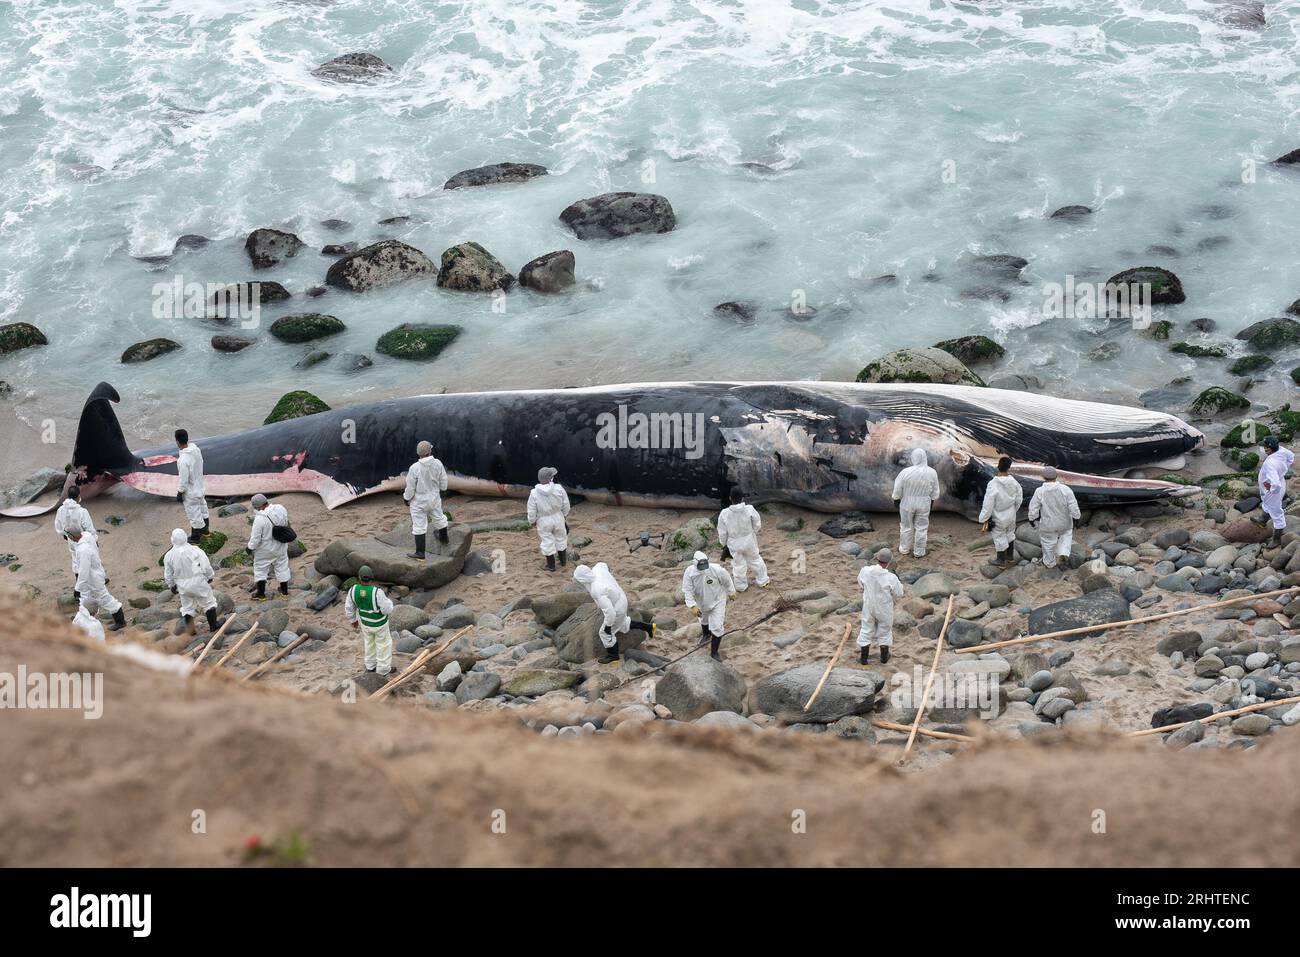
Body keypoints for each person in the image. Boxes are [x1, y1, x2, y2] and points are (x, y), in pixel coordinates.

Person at [573, 563, 655, 664]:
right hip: (620, 596)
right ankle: (649, 627)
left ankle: (613, 656)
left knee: (604, 633)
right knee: (623, 624)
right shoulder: (597, 569)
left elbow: (610, 613)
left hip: (617, 608)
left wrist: (608, 626)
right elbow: (604, 564)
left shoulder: (597, 590)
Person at [163, 528, 221, 636]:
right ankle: (213, 625)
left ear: (172, 540)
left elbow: (168, 573)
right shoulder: (195, 550)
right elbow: (206, 565)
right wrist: (209, 576)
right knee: (208, 602)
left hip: (182, 585)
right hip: (198, 581)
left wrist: (171, 585)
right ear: (186, 537)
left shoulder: (169, 556)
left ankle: (191, 631)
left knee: (187, 607)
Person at [68, 523, 125, 631]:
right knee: (85, 600)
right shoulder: (87, 536)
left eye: (68, 535)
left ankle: (120, 621)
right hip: (95, 575)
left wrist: (78, 588)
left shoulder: (83, 549)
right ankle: (85, 623)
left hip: (92, 579)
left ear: (72, 536)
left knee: (104, 599)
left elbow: (84, 571)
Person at [682, 550, 737, 661]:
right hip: (701, 601)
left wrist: (731, 591)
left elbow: (727, 580)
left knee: (717, 627)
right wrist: (692, 605)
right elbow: (687, 590)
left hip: (718, 600)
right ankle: (706, 635)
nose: (703, 567)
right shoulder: (689, 572)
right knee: (703, 619)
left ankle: (714, 653)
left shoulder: (716, 569)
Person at [344, 565, 394, 677]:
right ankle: (383, 670)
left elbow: (349, 607)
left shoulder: (353, 590)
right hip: (379, 624)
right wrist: (390, 603)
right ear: (371, 579)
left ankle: (370, 665)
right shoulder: (377, 592)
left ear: (359, 578)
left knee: (369, 643)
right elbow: (387, 609)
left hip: (365, 623)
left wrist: (353, 620)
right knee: (383, 645)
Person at [1027, 467, 1080, 569]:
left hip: (1048, 524)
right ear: (1056, 476)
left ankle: (1050, 563)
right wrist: (1076, 517)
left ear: (1043, 477)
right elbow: (1073, 505)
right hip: (1064, 522)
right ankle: (1063, 553)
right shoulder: (1066, 489)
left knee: (1047, 543)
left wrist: (1032, 519)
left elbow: (1033, 507)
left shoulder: (1039, 491)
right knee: (1066, 536)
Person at [404, 440, 449, 561]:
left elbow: (410, 487)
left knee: (419, 524)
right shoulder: (438, 463)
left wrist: (406, 498)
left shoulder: (414, 468)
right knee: (439, 517)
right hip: (434, 498)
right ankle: (444, 538)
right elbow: (444, 481)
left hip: (419, 501)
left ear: (418, 454)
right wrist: (442, 489)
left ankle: (420, 553)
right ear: (430, 451)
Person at [857, 548, 903, 664]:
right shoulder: (891, 577)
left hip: (869, 605)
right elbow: (899, 593)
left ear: (877, 558)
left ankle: (864, 658)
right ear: (889, 562)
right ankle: (883, 656)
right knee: (885, 630)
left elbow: (860, 583)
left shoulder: (865, 571)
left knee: (866, 628)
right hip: (884, 607)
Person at [717, 488, 769, 591]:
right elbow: (757, 523)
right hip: (749, 540)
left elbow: (722, 532)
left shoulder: (724, 513)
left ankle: (741, 587)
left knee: (738, 565)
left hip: (734, 542)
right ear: (742, 498)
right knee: (756, 560)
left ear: (730, 498)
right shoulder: (749, 508)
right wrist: (753, 532)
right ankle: (763, 581)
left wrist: (724, 543)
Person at [892, 448, 940, 558]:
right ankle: (919, 552)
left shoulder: (906, 472)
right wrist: (932, 500)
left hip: (907, 502)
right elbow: (935, 490)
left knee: (906, 526)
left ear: (913, 458)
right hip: (924, 502)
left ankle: (904, 549)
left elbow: (898, 487)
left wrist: (896, 498)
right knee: (922, 527)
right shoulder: (932, 472)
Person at [979, 456, 1023, 566]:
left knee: (999, 537)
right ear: (1009, 468)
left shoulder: (993, 484)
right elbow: (1019, 499)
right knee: (1010, 533)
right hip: (1011, 513)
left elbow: (988, 502)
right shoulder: (1014, 483)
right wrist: (1014, 509)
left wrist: (984, 518)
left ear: (998, 466)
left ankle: (1000, 560)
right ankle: (1010, 557)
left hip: (998, 515)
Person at [246, 493, 291, 600]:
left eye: (255, 507)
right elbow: (286, 523)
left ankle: (261, 594)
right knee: (282, 567)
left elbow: (255, 539)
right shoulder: (281, 508)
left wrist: (249, 548)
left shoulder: (259, 519)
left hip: (265, 549)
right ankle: (284, 592)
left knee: (260, 569)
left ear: (258, 506)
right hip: (281, 545)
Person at [53, 484, 95, 595]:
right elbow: (89, 528)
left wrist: (64, 534)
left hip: (71, 539)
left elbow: (58, 525)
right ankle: (91, 584)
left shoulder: (61, 510)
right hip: (83, 539)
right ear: (78, 497)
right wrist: (94, 539)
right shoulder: (82, 512)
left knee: (76, 560)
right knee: (90, 560)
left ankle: (79, 583)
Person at [527, 466, 570, 571]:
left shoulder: (534, 493)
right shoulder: (559, 488)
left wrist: (531, 521)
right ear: (551, 478)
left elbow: (531, 509)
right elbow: (566, 504)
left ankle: (551, 566)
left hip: (543, 520)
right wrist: (564, 514)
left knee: (547, 541)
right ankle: (563, 562)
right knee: (561, 538)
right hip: (558, 516)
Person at [1259, 436, 1295, 547]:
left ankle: (1276, 539)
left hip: (1273, 491)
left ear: (1268, 449)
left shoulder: (1270, 463)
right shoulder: (1282, 450)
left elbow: (1275, 484)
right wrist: (1284, 469)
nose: (1263, 448)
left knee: (1276, 513)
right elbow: (1291, 457)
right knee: (1266, 503)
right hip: (1281, 480)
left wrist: (1271, 489)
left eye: (1265, 446)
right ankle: (1263, 519)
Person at [175, 429, 209, 544]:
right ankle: (206, 531)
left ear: (177, 441)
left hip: (191, 492)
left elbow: (183, 480)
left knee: (194, 515)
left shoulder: (183, 460)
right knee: (203, 509)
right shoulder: (196, 450)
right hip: (200, 487)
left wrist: (180, 492)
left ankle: (196, 538)